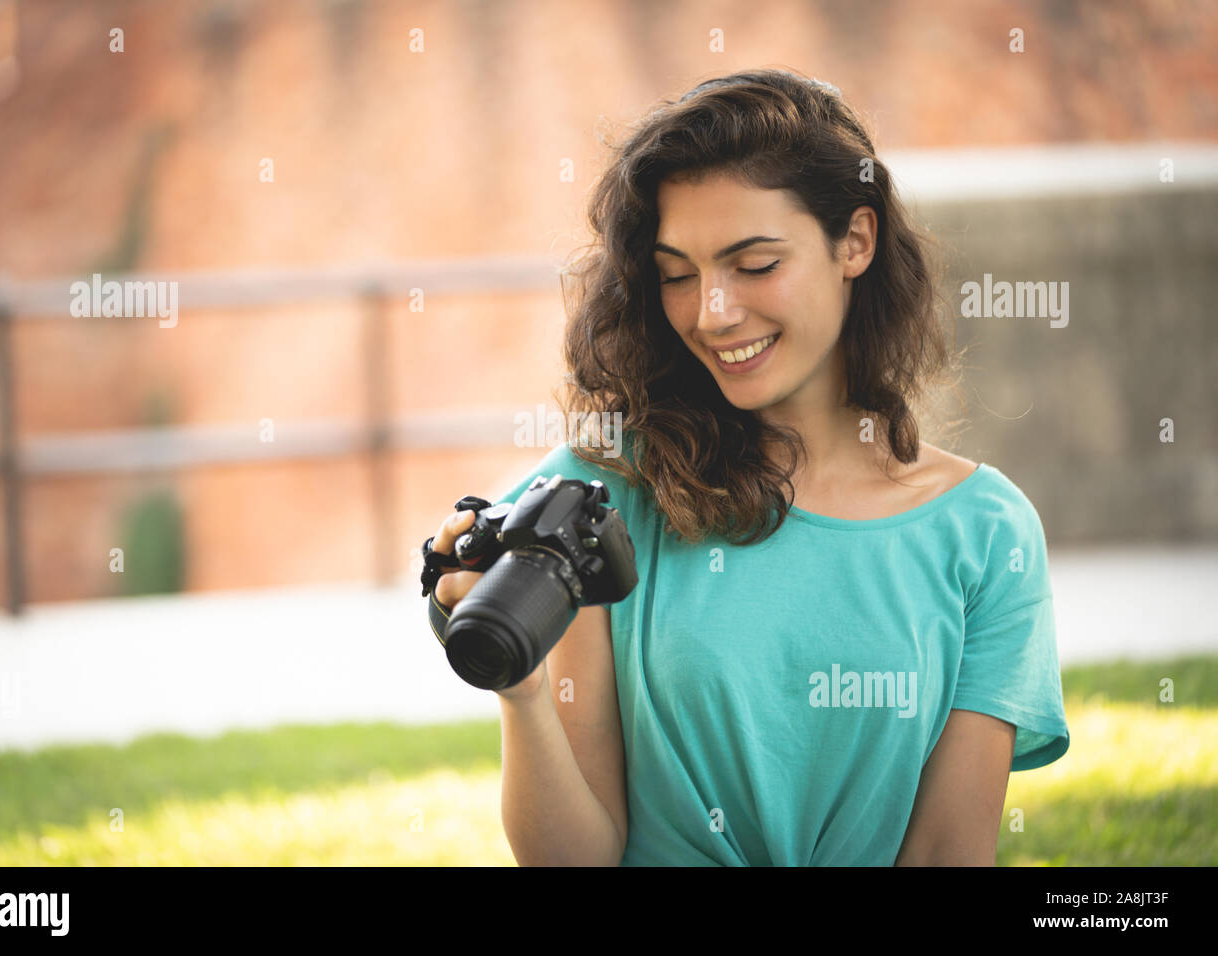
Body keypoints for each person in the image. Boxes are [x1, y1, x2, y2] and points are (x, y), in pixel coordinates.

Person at [425, 67, 1070, 866]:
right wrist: (522, 694)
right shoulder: (600, 496)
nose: (711, 312)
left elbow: (946, 852)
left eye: (755, 264)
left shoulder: (985, 534)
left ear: (855, 242)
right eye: (677, 275)